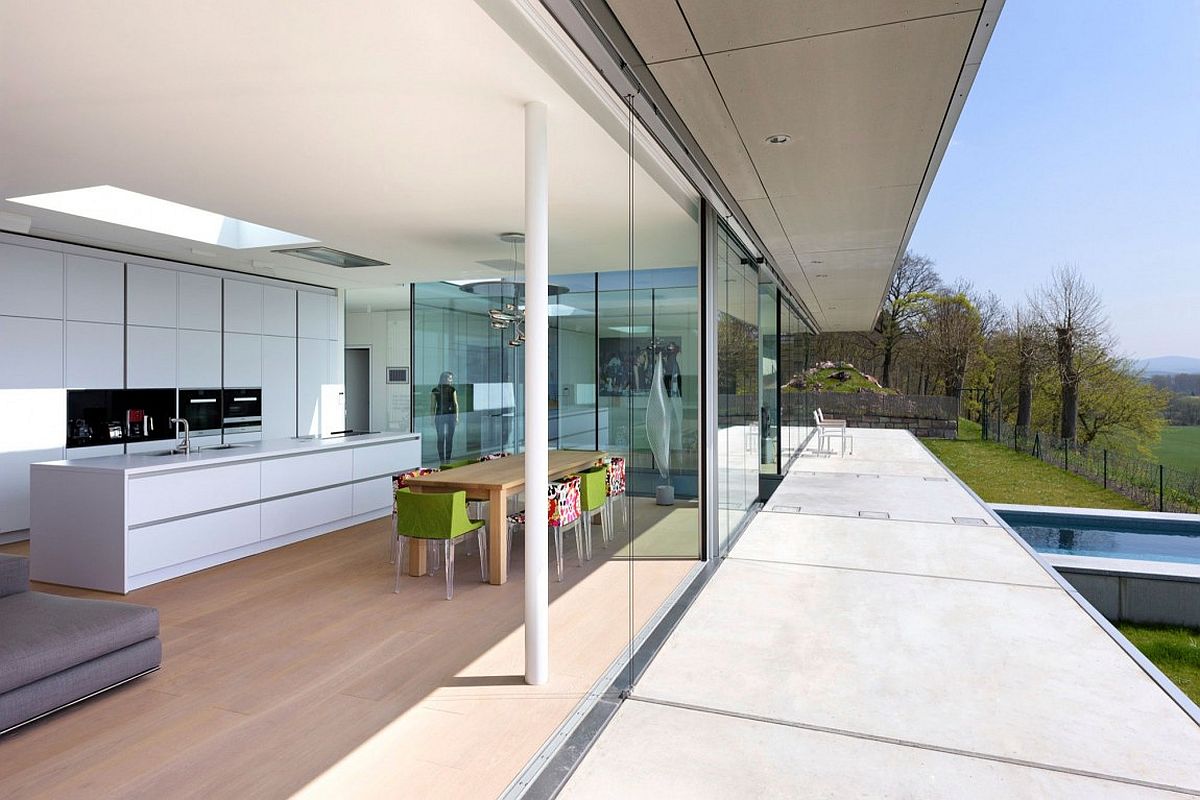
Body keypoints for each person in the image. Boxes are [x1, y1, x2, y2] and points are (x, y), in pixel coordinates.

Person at [431, 371, 459, 462]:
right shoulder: (435, 390)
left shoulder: (452, 390)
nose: (451, 380)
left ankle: (448, 459)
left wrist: (457, 417)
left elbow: (455, 404)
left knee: (449, 438)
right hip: (439, 416)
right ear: (444, 379)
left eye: (451, 378)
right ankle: (442, 460)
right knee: (440, 438)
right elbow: (432, 406)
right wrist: (432, 419)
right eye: (449, 378)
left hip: (451, 416)